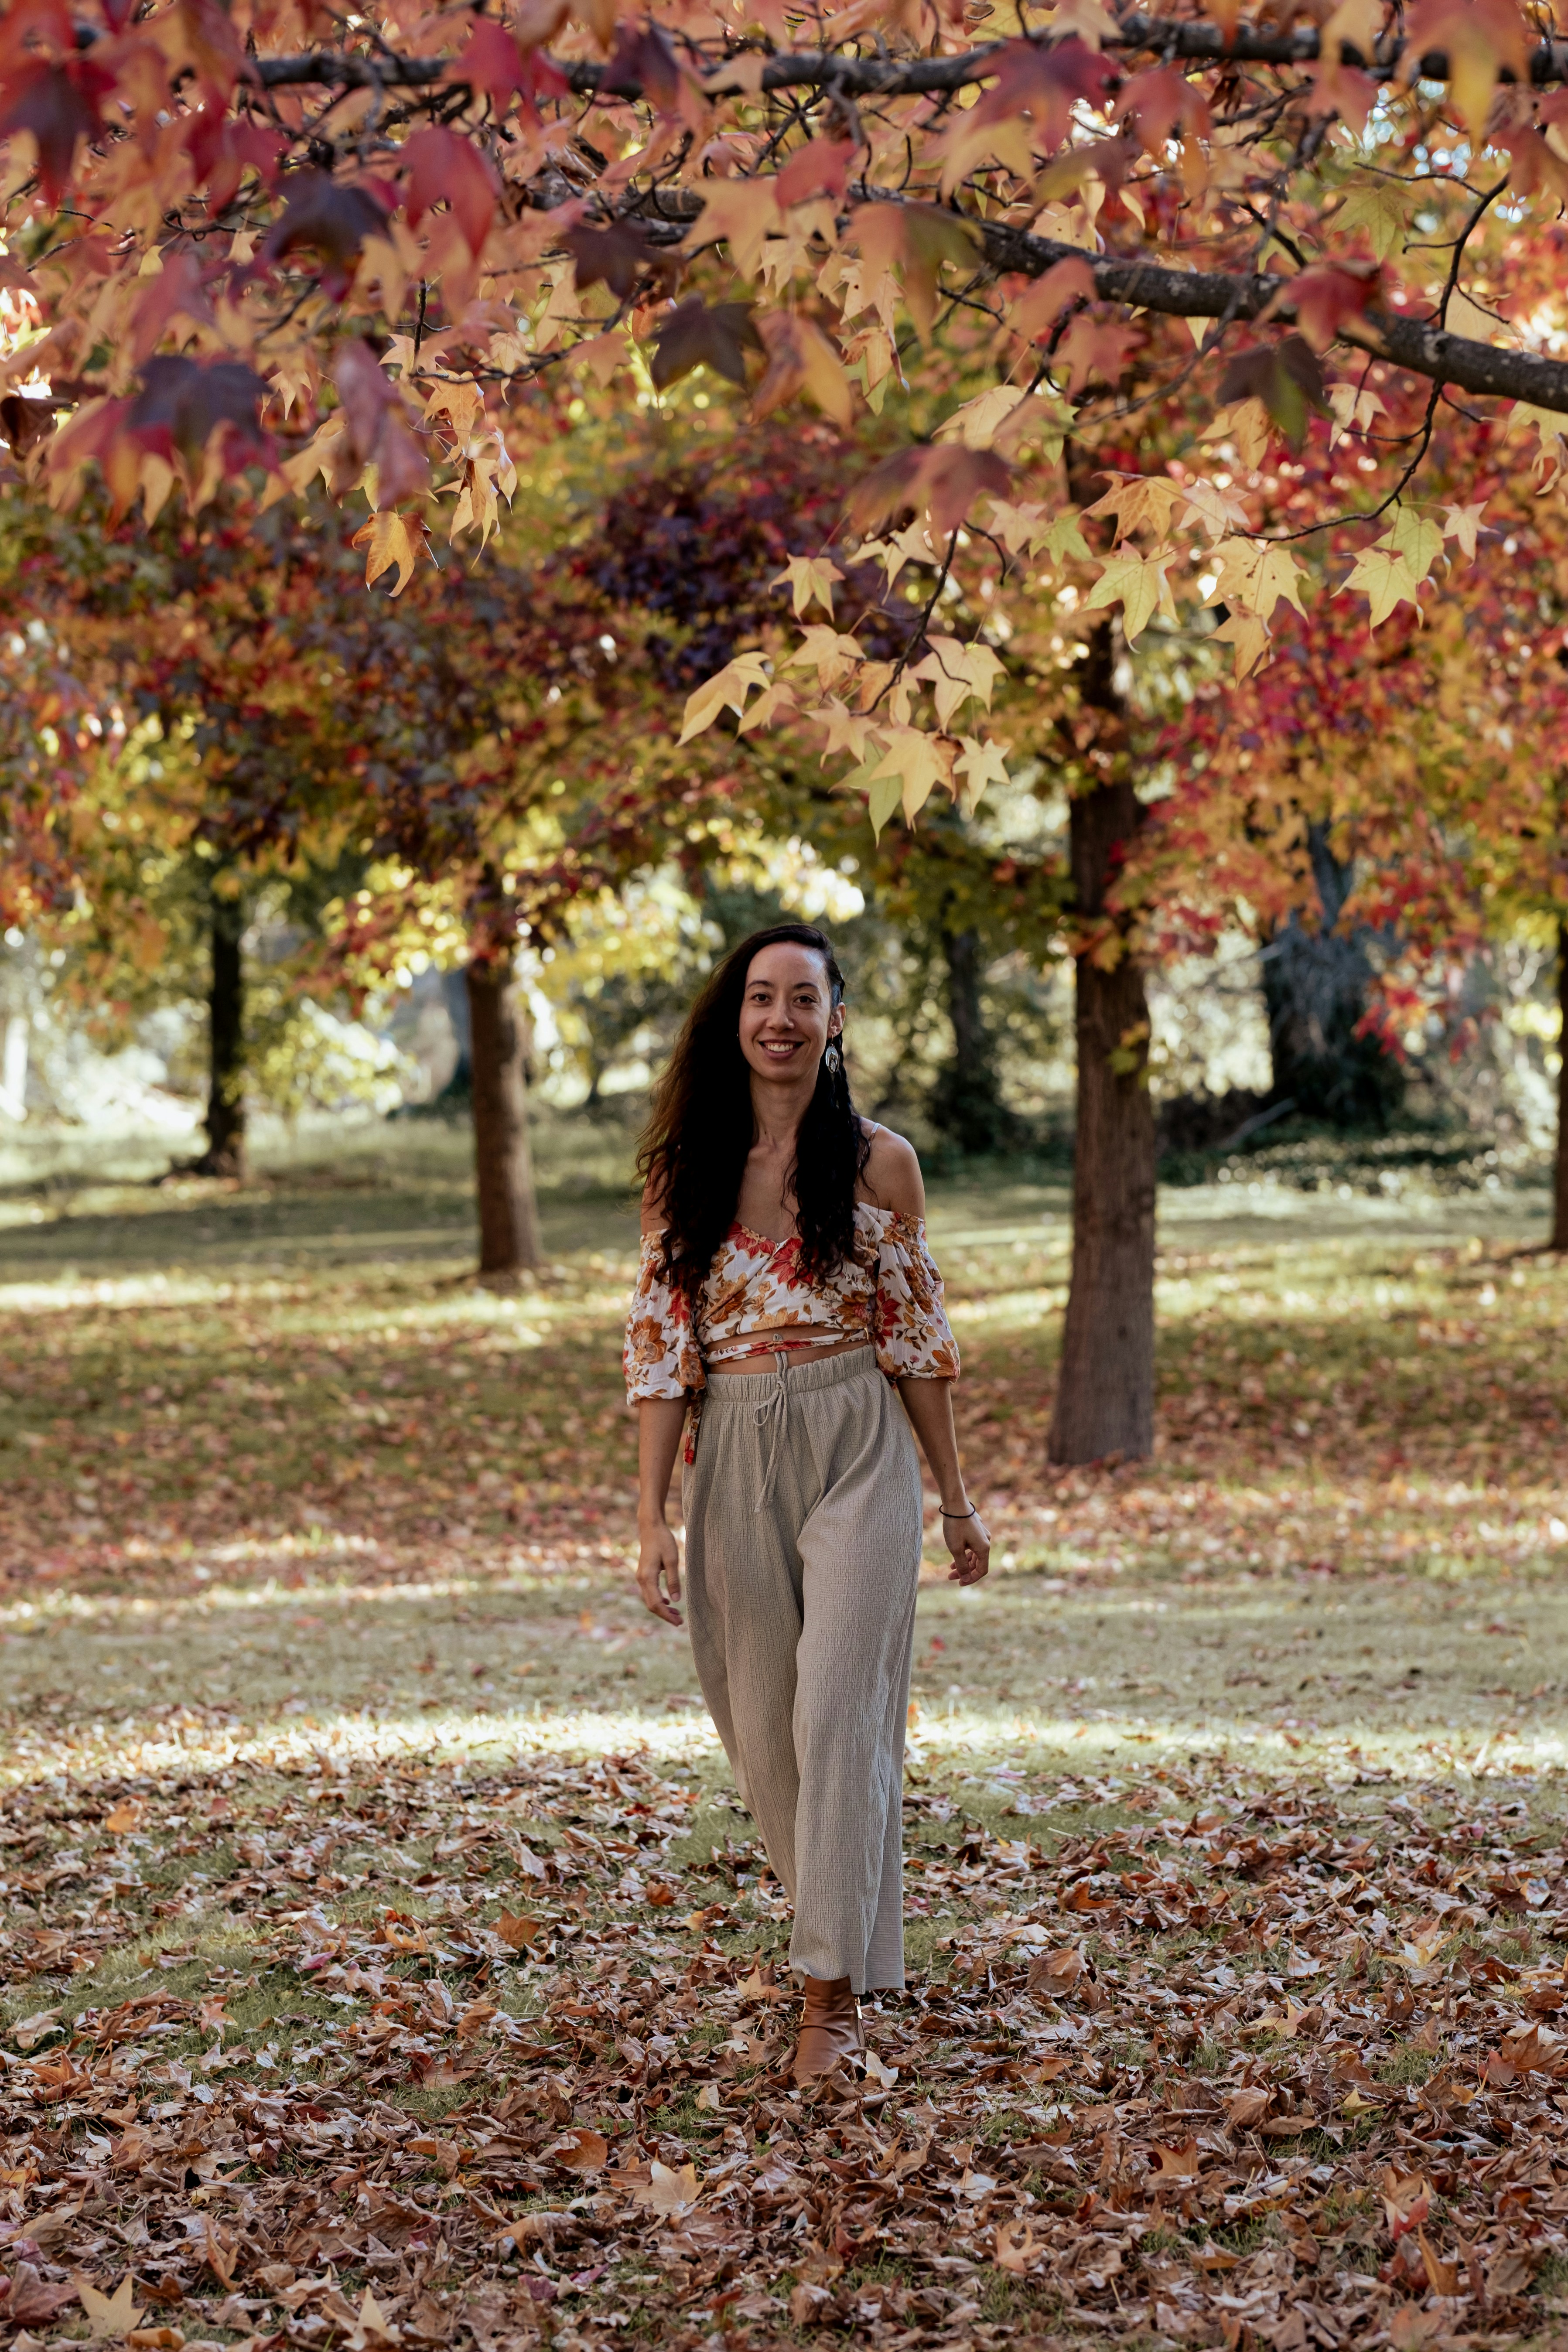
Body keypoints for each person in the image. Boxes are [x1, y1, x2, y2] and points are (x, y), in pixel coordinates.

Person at [623, 920, 990, 2084]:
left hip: (856, 1444)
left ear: (835, 1021)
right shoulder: (683, 1172)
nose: (780, 1017)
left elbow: (917, 1340)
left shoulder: (881, 1163)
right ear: (733, 1020)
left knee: (839, 1710)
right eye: (759, 998)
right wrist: (649, 1514)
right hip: (731, 1447)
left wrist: (956, 1498)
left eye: (803, 999)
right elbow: (657, 1354)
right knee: (765, 1728)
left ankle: (825, 1997)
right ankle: (848, 1928)